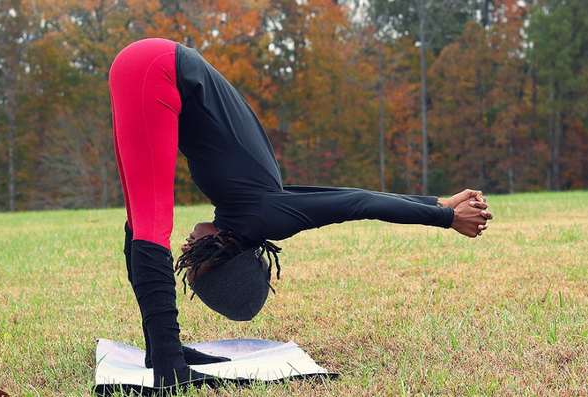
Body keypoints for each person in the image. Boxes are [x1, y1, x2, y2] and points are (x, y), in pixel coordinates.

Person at [109, 38, 493, 389]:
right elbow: (356, 202)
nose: (188, 251)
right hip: (157, 70)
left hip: (152, 67)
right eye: (197, 264)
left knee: (139, 223)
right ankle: (169, 365)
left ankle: (161, 350)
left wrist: (438, 202)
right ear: (223, 256)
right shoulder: (263, 215)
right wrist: (444, 216)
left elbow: (347, 194)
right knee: (150, 228)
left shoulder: (251, 206)